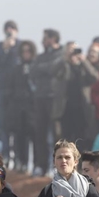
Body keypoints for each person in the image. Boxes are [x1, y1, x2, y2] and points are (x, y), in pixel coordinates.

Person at [30, 29, 65, 176]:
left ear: (53, 38)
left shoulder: (62, 54)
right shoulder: (41, 56)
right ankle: (40, 165)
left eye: (45, 38)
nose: (42, 41)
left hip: (55, 99)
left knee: (57, 134)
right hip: (40, 98)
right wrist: (45, 68)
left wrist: (44, 68)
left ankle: (56, 165)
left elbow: (54, 69)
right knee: (40, 133)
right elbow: (33, 71)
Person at [0, 20, 20, 161]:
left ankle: (18, 155)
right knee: (3, 124)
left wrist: (12, 49)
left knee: (16, 122)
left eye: (12, 28)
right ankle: (6, 153)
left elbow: (19, 64)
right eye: (7, 29)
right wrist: (5, 49)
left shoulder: (20, 45)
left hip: (16, 90)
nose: (10, 31)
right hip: (1, 88)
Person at [61, 41, 99, 150]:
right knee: (65, 139)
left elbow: (95, 77)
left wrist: (83, 61)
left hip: (82, 109)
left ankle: (80, 163)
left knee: (81, 137)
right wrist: (65, 59)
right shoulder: (64, 65)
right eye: (71, 50)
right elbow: (55, 73)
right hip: (65, 108)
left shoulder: (84, 67)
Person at [8, 40, 37, 173]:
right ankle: (22, 162)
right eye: (24, 51)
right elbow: (12, 88)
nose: (26, 54)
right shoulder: (16, 69)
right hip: (18, 108)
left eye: (28, 51)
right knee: (19, 136)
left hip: (33, 107)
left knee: (34, 136)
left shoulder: (36, 66)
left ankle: (34, 164)